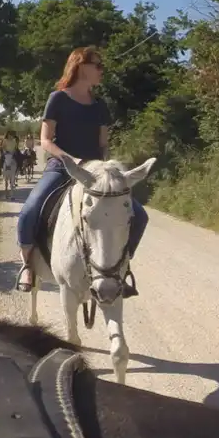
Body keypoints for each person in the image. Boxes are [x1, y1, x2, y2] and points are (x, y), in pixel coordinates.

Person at [15, 46, 149, 297]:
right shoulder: (58, 98)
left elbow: (103, 146)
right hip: (61, 168)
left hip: (95, 174)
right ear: (80, 66)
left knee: (140, 215)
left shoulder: (100, 105)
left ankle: (121, 268)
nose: (101, 70)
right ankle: (27, 264)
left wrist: (107, 171)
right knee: (29, 212)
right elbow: (46, 140)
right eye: (97, 65)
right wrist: (72, 160)